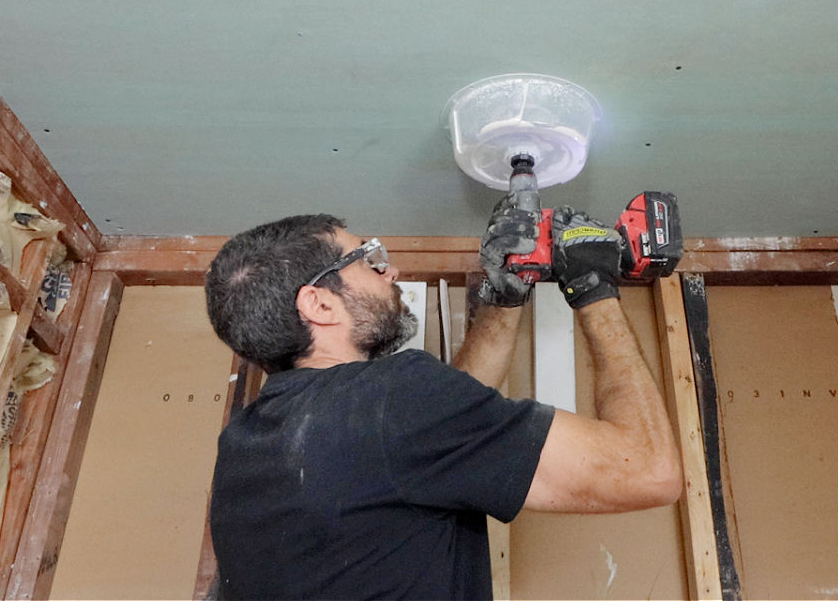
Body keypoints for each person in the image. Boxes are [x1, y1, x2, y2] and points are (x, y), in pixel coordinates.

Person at [202, 201, 682, 600]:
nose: (390, 270)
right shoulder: (395, 401)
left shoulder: (244, 449)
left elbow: (435, 447)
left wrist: (504, 296)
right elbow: (647, 469)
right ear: (320, 305)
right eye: (367, 260)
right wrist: (595, 288)